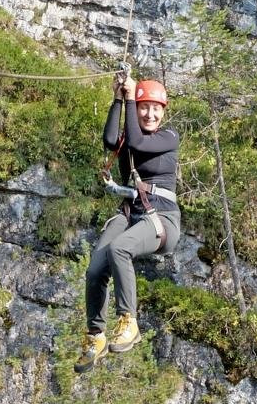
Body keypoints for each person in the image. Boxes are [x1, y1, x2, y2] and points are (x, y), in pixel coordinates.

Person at [74, 75, 181, 373]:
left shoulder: (168, 137)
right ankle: (95, 335)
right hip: (131, 213)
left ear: (163, 111)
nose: (149, 114)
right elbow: (111, 140)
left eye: (155, 109)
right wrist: (119, 99)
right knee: (96, 268)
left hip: (161, 219)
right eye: (144, 108)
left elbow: (136, 141)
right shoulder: (132, 135)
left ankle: (128, 321)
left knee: (119, 249)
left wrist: (133, 96)